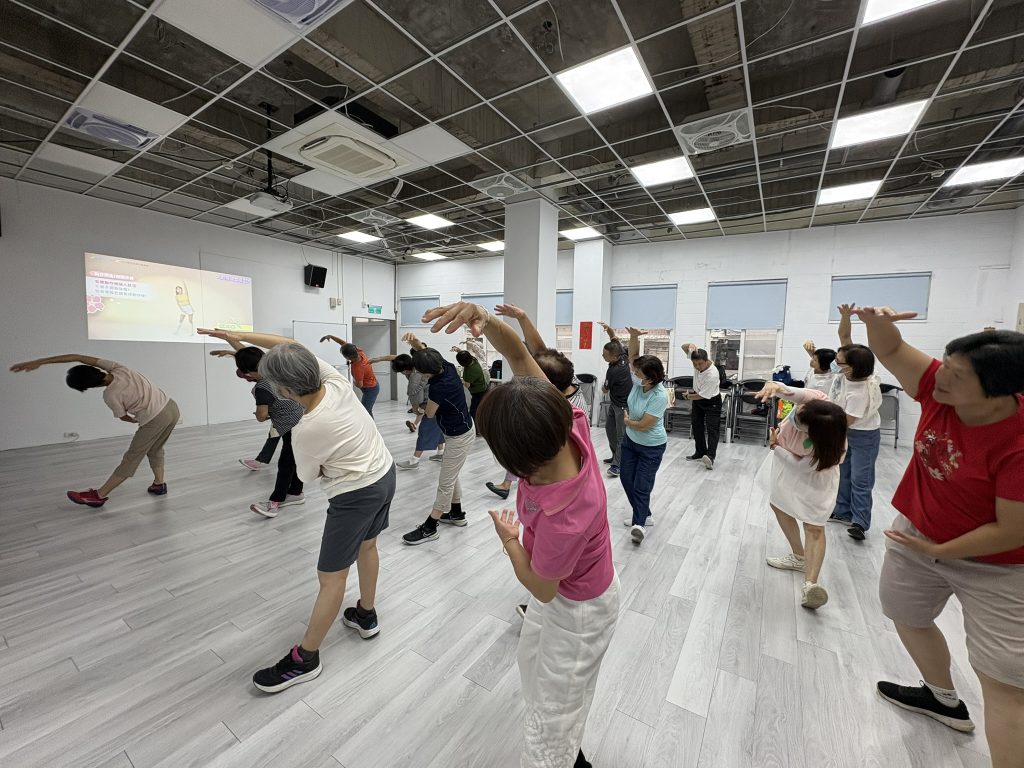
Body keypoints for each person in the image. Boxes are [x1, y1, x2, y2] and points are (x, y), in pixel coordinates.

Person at [423, 300, 617, 768]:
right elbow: (517, 356)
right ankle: (568, 751)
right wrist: (485, 320)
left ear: (516, 462)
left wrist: (511, 541)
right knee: (538, 678)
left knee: (554, 711)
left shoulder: (563, 512)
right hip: (573, 594)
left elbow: (543, 589)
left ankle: (561, 757)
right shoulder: (567, 424)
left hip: (578, 609)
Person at [853, 309, 1024, 766]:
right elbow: (888, 349)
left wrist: (941, 552)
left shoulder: (1019, 442)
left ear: (1000, 390)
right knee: (905, 613)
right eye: (945, 363)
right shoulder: (938, 387)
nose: (940, 375)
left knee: (1006, 683)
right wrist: (875, 321)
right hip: (919, 536)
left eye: (957, 373)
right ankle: (942, 699)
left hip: (1002, 564)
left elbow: (1011, 529)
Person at [213, 331, 394, 693]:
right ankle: (366, 614)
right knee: (368, 547)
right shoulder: (335, 380)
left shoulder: (308, 428)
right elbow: (285, 342)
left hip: (354, 495)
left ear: (284, 391)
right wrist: (235, 336)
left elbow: (308, 476)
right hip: (384, 474)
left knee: (331, 579)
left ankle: (306, 658)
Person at [10, 354, 178, 506]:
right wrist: (39, 361)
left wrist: (138, 419)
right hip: (171, 407)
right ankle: (159, 485)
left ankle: (98, 495)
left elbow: (123, 417)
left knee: (131, 458)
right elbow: (76, 356)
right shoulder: (121, 369)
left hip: (155, 418)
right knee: (155, 449)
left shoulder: (110, 395)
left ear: (88, 387)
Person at [754, 381, 849, 609]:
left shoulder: (828, 446)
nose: (795, 418)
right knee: (778, 505)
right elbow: (794, 393)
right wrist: (775, 387)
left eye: (800, 422)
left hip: (814, 479)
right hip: (786, 466)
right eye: (798, 413)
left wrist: (776, 446)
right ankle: (798, 556)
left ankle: (811, 585)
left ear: (813, 432)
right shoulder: (817, 401)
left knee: (814, 527)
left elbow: (803, 466)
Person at [484, 304, 587, 500]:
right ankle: (507, 484)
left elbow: (519, 355)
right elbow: (536, 353)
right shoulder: (563, 380)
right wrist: (522, 317)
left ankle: (506, 484)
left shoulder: (566, 417)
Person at [205, 335, 306, 517]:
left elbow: (261, 416)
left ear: (249, 373)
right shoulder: (273, 369)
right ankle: (296, 493)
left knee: (286, 464)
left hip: (293, 425)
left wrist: (263, 415)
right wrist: (230, 349)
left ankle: (275, 502)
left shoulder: (262, 387)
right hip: (304, 417)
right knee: (294, 459)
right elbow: (251, 355)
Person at [401, 337, 475, 545]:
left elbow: (431, 413)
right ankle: (457, 513)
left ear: (427, 372)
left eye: (420, 371)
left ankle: (430, 527)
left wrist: (419, 409)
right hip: (459, 431)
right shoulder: (447, 366)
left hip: (459, 436)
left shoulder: (440, 387)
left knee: (445, 481)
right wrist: (415, 342)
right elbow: (426, 351)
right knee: (452, 473)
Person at [827, 304, 883, 540]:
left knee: (861, 478)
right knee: (843, 471)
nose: (836, 364)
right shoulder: (849, 369)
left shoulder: (861, 390)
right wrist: (846, 317)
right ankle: (841, 511)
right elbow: (845, 336)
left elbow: (846, 421)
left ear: (853, 366)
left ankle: (860, 521)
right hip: (847, 430)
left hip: (863, 434)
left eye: (840, 363)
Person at [620, 327, 669, 544]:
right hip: (630, 441)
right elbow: (632, 358)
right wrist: (633, 337)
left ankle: (639, 523)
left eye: (639, 373)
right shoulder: (640, 384)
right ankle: (644, 512)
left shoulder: (659, 395)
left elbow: (644, 425)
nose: (634, 373)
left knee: (642, 484)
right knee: (626, 478)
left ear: (650, 378)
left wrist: (628, 422)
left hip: (651, 446)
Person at [371, 347, 446, 469]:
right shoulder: (415, 363)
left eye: (401, 372)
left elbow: (416, 397)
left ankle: (414, 461)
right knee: (437, 427)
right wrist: (378, 359)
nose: (402, 374)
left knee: (424, 431)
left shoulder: (414, 379)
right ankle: (441, 453)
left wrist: (416, 409)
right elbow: (395, 357)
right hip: (440, 400)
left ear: (405, 370)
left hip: (431, 403)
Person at [596, 322, 632, 478]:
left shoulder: (615, 371)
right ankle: (615, 455)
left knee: (620, 435)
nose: (603, 355)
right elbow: (613, 337)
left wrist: (603, 387)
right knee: (609, 430)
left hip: (624, 406)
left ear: (615, 356)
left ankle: (618, 465)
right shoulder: (622, 353)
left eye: (605, 355)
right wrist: (609, 329)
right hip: (615, 403)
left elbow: (605, 389)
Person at [680, 343, 723, 470]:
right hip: (698, 398)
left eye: (700, 364)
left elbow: (703, 396)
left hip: (712, 401)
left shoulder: (712, 374)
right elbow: (683, 347)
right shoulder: (697, 362)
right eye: (695, 364)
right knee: (696, 426)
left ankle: (710, 457)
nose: (698, 367)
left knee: (712, 429)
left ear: (706, 360)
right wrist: (690, 345)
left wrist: (688, 396)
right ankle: (700, 452)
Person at [319, 334, 379, 417]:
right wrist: (331, 337)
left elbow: (359, 385)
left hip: (370, 389)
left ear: (348, 357)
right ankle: (371, 428)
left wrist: (353, 381)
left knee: (365, 412)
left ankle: (371, 429)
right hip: (372, 386)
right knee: (367, 411)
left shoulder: (358, 368)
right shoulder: (359, 352)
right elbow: (344, 344)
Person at [456, 349, 489, 427]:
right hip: (481, 390)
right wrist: (459, 351)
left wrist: (457, 380)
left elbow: (467, 385)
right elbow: (466, 356)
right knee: (477, 409)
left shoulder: (473, 371)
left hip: (479, 392)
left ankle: (476, 429)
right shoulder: (473, 359)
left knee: (474, 411)